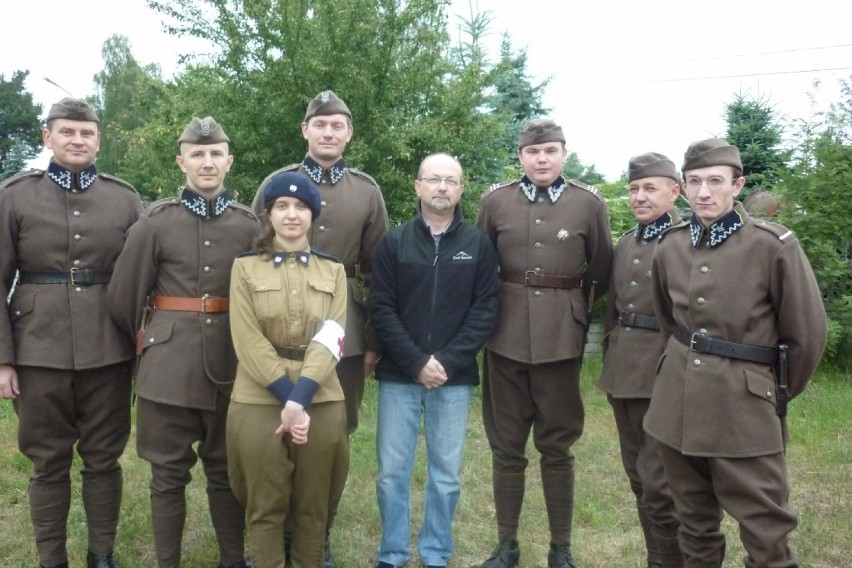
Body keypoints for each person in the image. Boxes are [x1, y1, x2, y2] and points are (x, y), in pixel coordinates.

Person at [645, 138, 827, 567]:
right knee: (694, 524)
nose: (704, 192)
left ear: (737, 184)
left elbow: (806, 335)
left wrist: (766, 391)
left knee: (766, 531)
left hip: (743, 408)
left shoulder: (771, 245)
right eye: (694, 182)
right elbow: (669, 322)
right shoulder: (670, 245)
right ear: (683, 188)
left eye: (715, 181)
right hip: (677, 407)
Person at [106, 117, 259, 568]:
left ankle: (234, 560)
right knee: (167, 475)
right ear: (182, 162)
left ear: (229, 162)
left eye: (215, 154)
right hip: (168, 370)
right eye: (197, 154)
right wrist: (150, 343)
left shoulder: (250, 225)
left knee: (227, 471)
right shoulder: (155, 222)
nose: (207, 162)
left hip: (233, 366)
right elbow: (123, 297)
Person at [0, 97, 143, 568]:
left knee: (104, 457)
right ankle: (51, 558)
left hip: (109, 346)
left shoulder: (124, 198)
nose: (77, 140)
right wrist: (3, 358)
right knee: (48, 460)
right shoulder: (15, 195)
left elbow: (142, 277)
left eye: (86, 133)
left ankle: (101, 554)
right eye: (67, 132)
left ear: (98, 139)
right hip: (37, 348)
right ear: (48, 137)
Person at [251, 89, 388, 565]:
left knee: (332, 435)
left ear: (349, 134)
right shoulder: (277, 182)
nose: (329, 133)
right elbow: (255, 249)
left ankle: (317, 531)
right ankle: (280, 526)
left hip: (341, 329)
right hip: (276, 328)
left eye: (338, 126)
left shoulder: (366, 191)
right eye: (320, 124)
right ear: (305, 130)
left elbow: (378, 271)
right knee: (276, 428)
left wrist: (372, 339)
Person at [475, 118, 613, 568]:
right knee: (507, 446)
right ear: (520, 156)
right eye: (533, 152)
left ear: (563, 154)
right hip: (504, 336)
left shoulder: (588, 203)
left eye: (550, 151)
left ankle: (561, 548)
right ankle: (507, 545)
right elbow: (480, 265)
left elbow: (601, 269)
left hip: (560, 339)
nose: (541, 159)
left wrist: (572, 311)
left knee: (557, 446)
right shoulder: (496, 201)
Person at [370, 153, 500, 568]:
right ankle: (392, 553)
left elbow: (485, 310)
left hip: (454, 377)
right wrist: (414, 362)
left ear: (462, 190)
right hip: (399, 375)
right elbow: (382, 308)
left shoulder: (478, 245)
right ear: (418, 186)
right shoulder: (393, 242)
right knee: (392, 472)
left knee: (445, 476)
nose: (442, 187)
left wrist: (445, 361)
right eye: (433, 179)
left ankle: (435, 552)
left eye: (450, 181)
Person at [229, 171, 349, 568]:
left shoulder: (333, 271)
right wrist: (286, 396)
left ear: (313, 215)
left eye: (300, 207)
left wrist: (300, 400)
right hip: (259, 393)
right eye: (282, 206)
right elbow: (248, 339)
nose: (291, 214)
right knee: (265, 505)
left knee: (313, 507)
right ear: (269, 214)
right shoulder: (245, 268)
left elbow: (333, 336)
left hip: (320, 394)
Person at [598, 152, 684, 568]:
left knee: (660, 483)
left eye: (650, 188)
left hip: (663, 373)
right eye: (634, 189)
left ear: (674, 191)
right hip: (623, 373)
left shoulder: (686, 239)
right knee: (638, 478)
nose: (639, 197)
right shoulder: (628, 242)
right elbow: (613, 308)